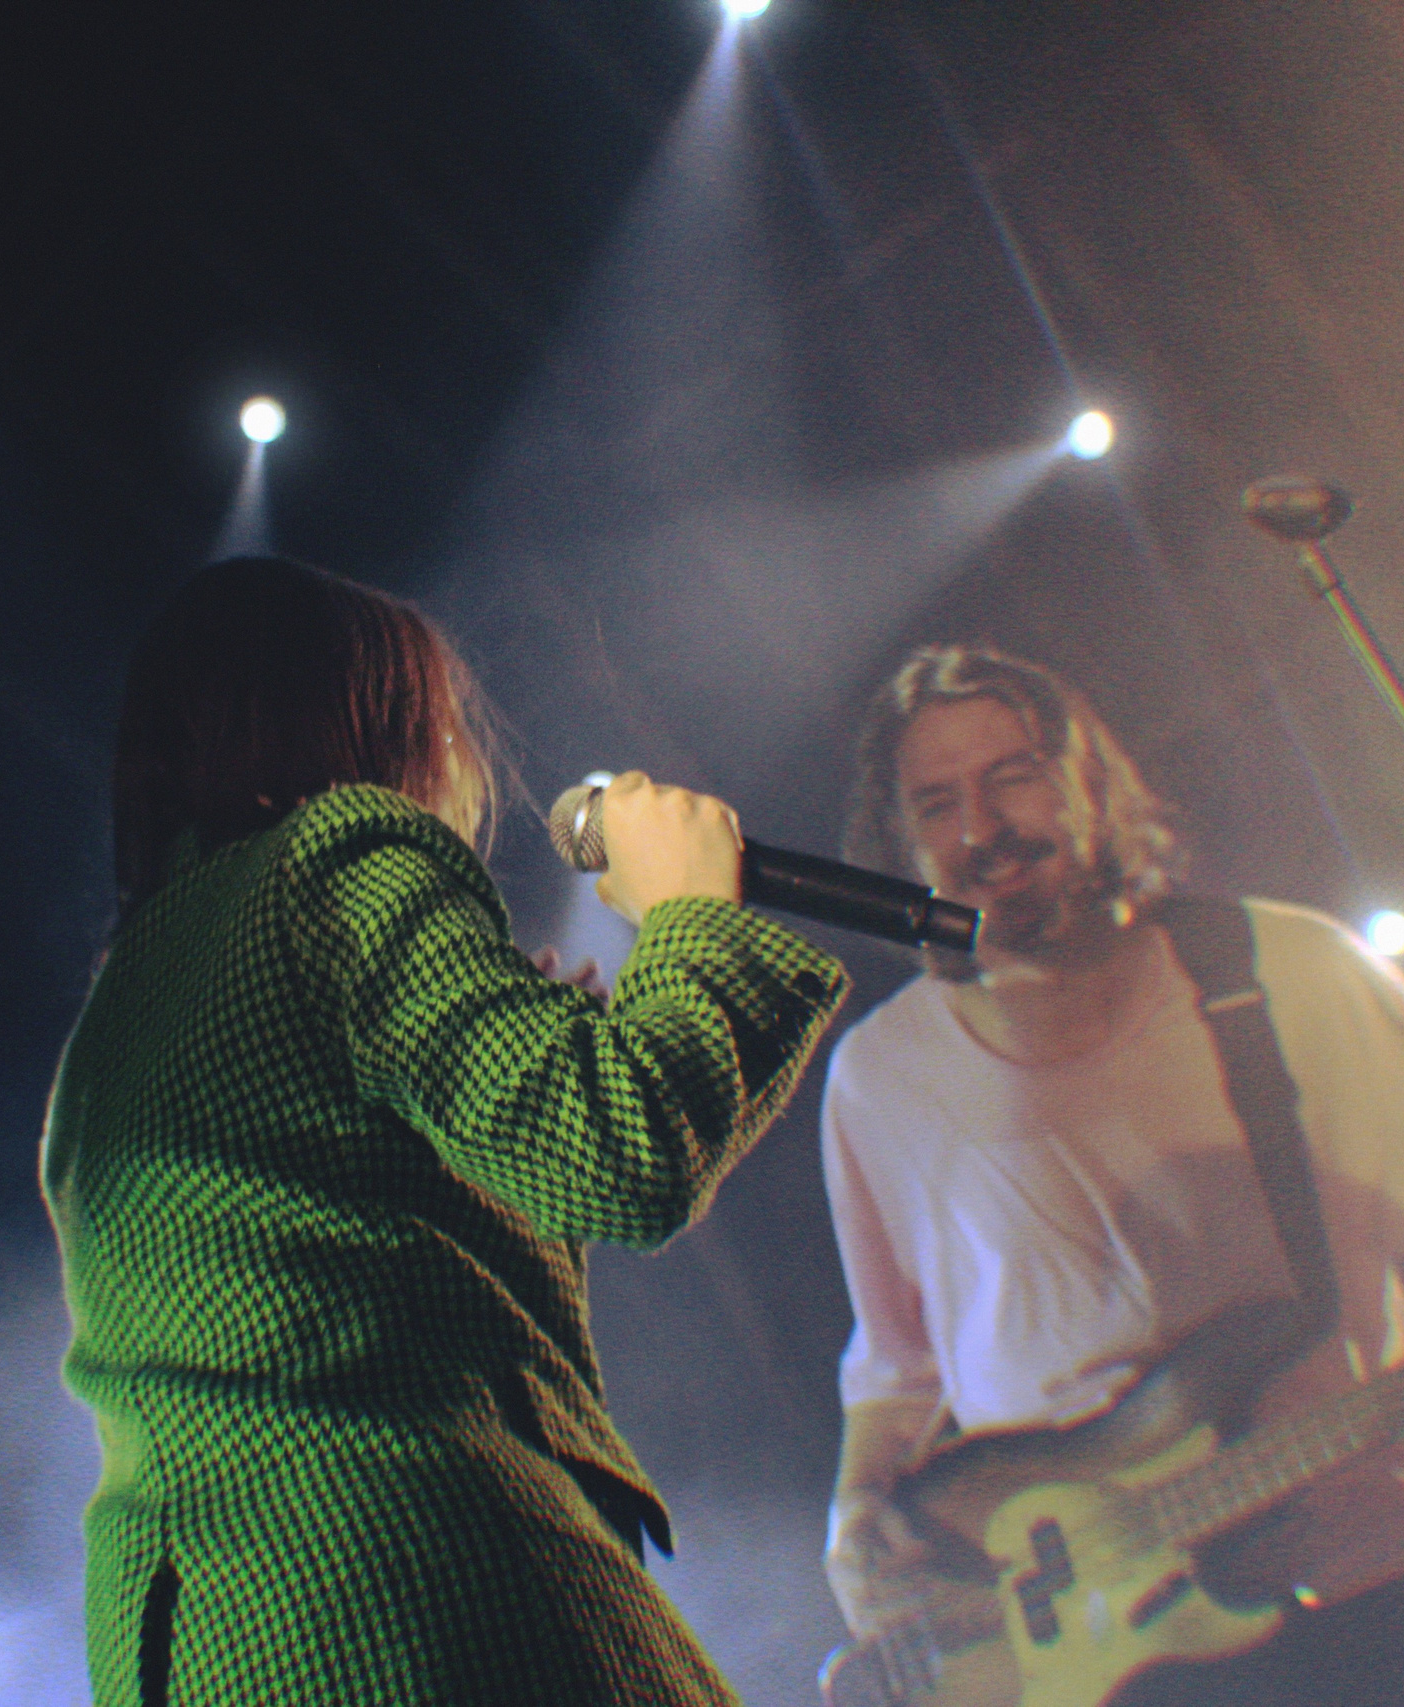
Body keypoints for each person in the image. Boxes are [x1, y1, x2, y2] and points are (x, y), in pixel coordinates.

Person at [818, 645, 1404, 1707]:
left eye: (1013, 775)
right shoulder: (878, 1081)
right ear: (899, 844)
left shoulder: (1280, 971)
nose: (980, 830)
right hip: (1113, 1644)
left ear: (1088, 781)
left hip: (1384, 1551)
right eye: (938, 804)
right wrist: (854, 1518)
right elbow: (895, 1367)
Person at [41, 556, 848, 1706]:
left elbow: (346, 1275)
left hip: (196, 1644)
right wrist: (686, 915)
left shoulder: (119, 1011)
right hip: (417, 1593)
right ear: (375, 725)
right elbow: (618, 1154)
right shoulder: (341, 852)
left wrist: (510, 1077)